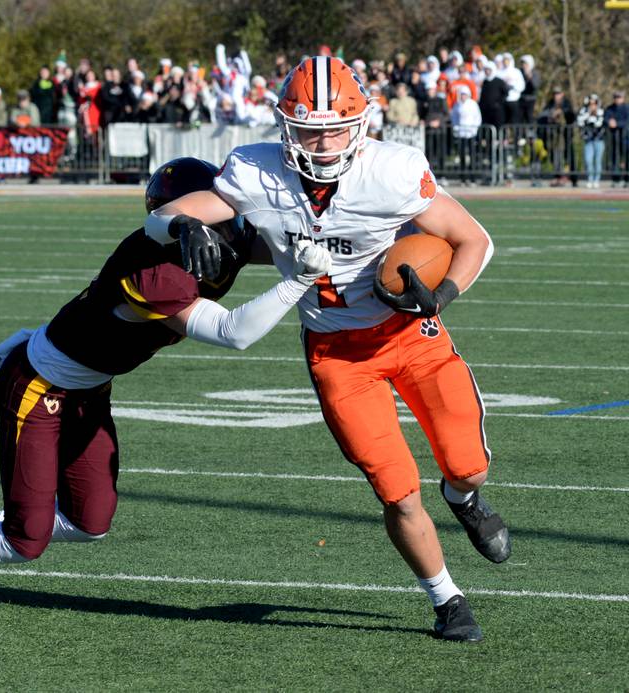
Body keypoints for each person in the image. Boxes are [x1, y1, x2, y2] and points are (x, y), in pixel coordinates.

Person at [144, 56, 511, 643]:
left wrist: (440, 295)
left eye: (336, 127)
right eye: (310, 128)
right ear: (285, 125)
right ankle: (447, 598)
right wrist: (180, 226)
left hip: (410, 337)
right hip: (337, 354)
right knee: (396, 488)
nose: (323, 140)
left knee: (469, 465)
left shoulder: (392, 171)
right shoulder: (255, 171)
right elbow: (160, 216)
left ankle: (462, 497)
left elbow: (474, 238)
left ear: (362, 123)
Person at [0, 157, 332, 616]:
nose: (231, 224)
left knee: (89, 522)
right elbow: (233, 333)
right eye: (213, 211)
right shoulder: (153, 271)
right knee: (27, 540)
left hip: (89, 388)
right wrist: (296, 280)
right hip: (40, 386)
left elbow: (279, 239)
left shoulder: (221, 235)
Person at [451, 85, 482, 185]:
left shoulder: (473, 104)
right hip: (461, 133)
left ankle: (473, 178)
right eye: (462, 95)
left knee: (472, 155)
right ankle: (463, 178)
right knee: (462, 155)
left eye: (465, 94)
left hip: (471, 133)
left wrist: (475, 129)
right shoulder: (457, 105)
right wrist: (456, 128)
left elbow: (478, 118)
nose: (463, 96)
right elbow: (454, 117)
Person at [577, 94, 605, 188]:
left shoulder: (600, 111)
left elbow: (599, 123)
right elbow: (580, 121)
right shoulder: (583, 111)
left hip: (599, 139)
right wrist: (589, 114)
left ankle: (596, 180)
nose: (592, 105)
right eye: (590, 103)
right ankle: (590, 178)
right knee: (588, 160)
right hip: (588, 140)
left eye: (594, 103)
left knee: (598, 160)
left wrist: (593, 116)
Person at [604, 90, 629, 187]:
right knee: (615, 159)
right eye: (616, 97)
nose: (617, 99)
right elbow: (605, 118)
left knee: (627, 159)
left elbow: (627, 121)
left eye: (619, 97)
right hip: (614, 138)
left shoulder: (627, 108)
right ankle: (615, 179)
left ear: (623, 98)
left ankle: (627, 179)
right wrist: (609, 122)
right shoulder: (610, 108)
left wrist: (617, 124)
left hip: (626, 138)